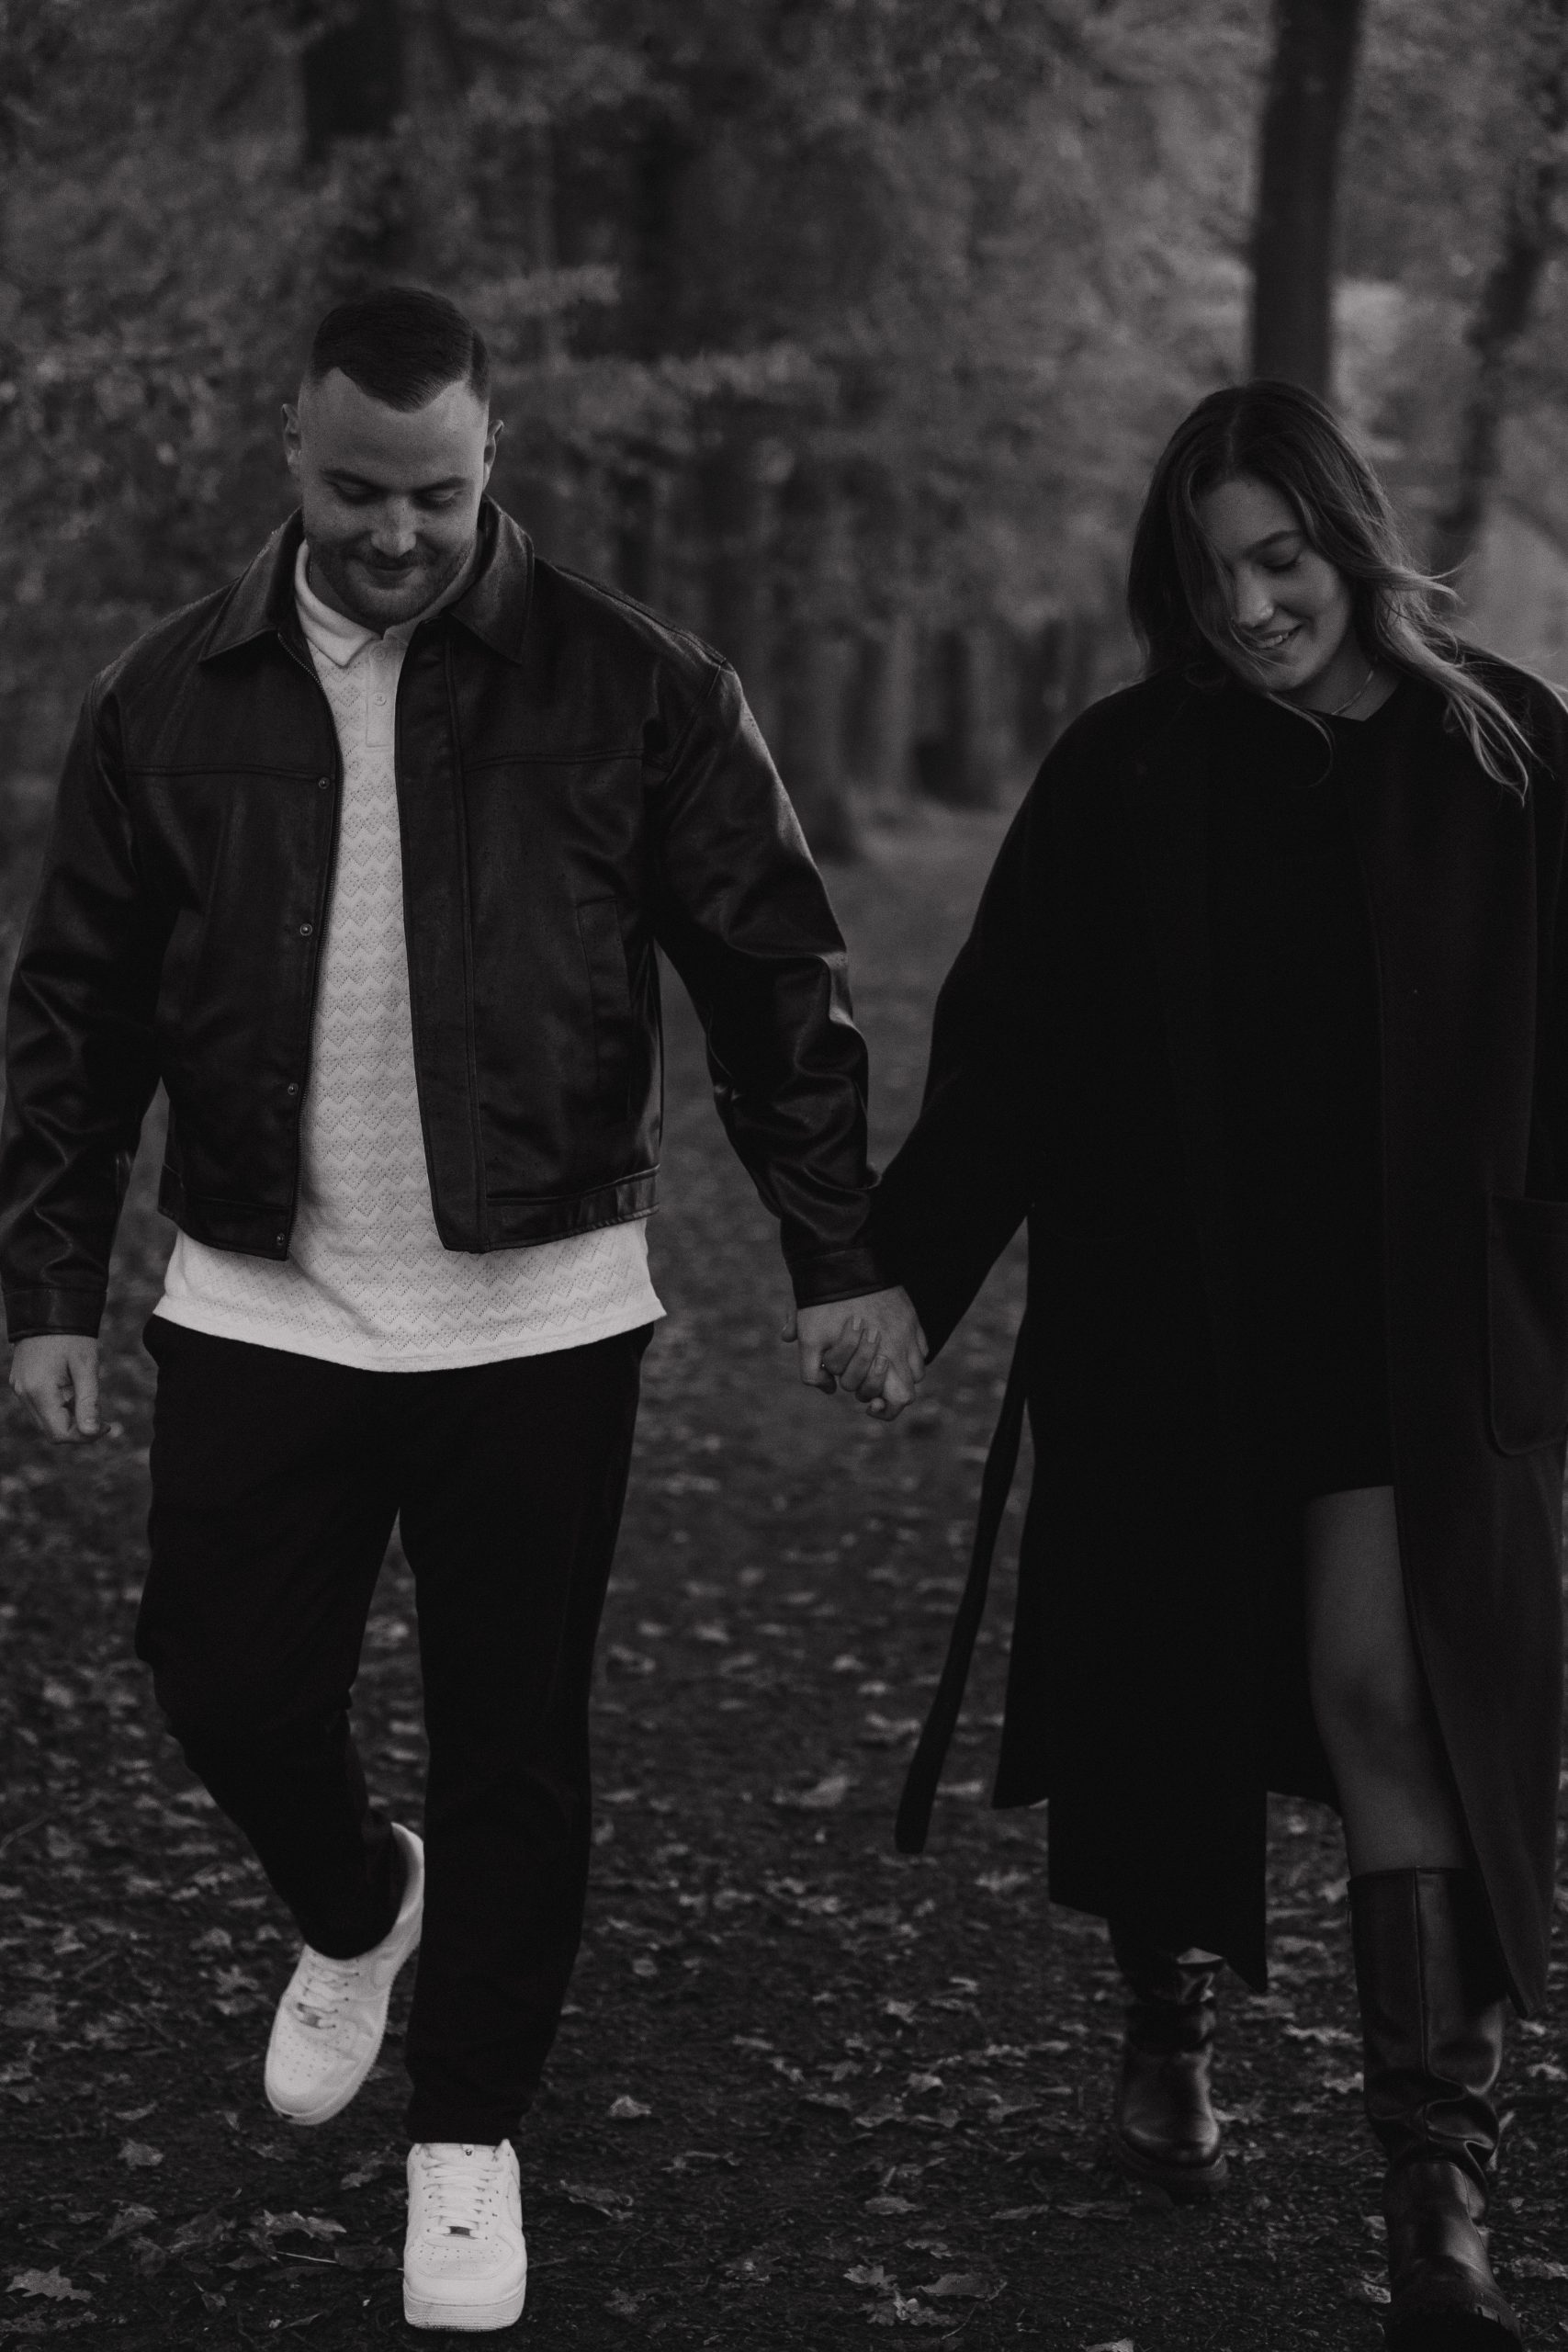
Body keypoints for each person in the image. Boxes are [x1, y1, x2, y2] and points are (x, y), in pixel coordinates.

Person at [0, 286, 925, 2335]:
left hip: (538, 1314)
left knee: (514, 1738)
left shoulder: (635, 684)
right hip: (262, 1295)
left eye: (435, 491)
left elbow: (773, 976)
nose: (397, 532)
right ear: (291, 452)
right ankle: (359, 1899)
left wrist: (836, 1249)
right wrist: (49, 1281)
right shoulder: (169, 694)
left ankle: (467, 2138)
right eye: (358, 490)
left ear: (493, 456)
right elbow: (73, 1005)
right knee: (224, 1684)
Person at [875, 379, 1568, 2348]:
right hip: (1169, 1315)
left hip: (1414, 1334)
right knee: (1167, 1680)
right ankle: (1163, 2029)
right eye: (1210, 574)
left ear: (1349, 539)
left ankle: (1432, 2180)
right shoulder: (1127, 769)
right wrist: (898, 1279)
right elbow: (1007, 1045)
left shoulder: (1502, 751)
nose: (1252, 606)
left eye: (1281, 559)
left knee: (1386, 1688)